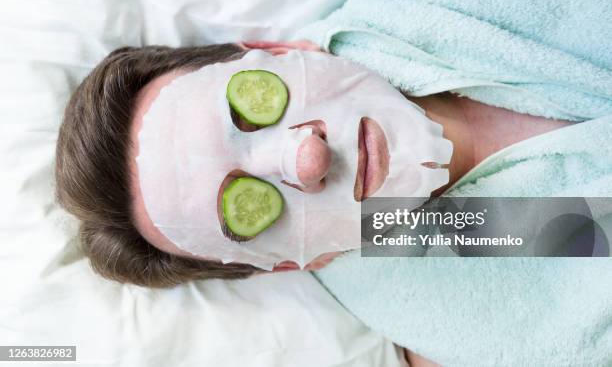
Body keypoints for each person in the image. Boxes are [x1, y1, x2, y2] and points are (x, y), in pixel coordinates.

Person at [55, 39, 572, 287]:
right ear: (290, 263)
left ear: (275, 49)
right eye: (253, 212)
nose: (309, 158)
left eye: (250, 110)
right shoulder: (461, 286)